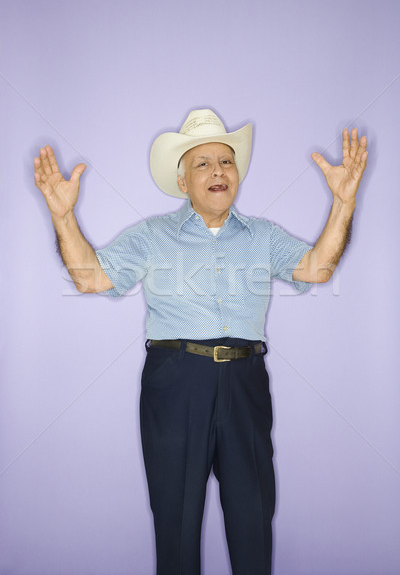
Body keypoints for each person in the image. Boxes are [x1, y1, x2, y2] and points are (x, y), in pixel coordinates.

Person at [34, 109, 368, 575]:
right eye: (203, 163)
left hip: (246, 382)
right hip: (176, 383)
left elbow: (319, 269)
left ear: (237, 176)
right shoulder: (152, 236)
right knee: (176, 523)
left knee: (253, 521)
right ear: (183, 181)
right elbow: (90, 278)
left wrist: (344, 204)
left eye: (226, 162)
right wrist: (63, 215)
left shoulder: (264, 237)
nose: (218, 171)